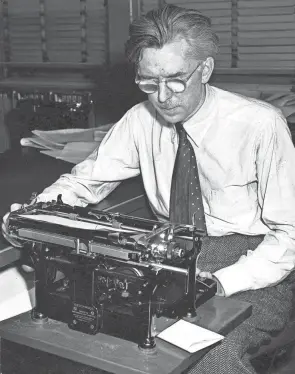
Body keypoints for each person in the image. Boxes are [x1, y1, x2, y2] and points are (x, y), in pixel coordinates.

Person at [2, 4, 295, 374]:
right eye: (148, 82)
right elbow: (85, 181)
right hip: (167, 249)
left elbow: (289, 236)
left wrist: (222, 282)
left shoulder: (260, 124)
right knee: (93, 342)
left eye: (175, 79)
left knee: (207, 359)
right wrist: (37, 214)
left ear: (205, 69)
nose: (163, 96)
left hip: (253, 261)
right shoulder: (140, 120)